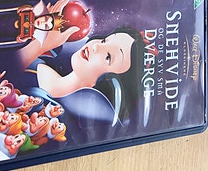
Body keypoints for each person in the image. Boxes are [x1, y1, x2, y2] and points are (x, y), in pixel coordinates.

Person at [18, 25, 146, 126]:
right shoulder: (42, 60)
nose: (96, 46)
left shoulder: (60, 117)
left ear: (109, 82)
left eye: (108, 57)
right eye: (104, 40)